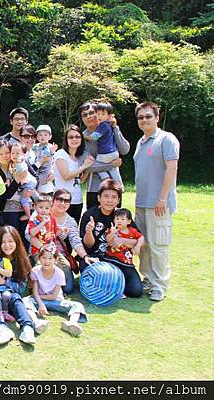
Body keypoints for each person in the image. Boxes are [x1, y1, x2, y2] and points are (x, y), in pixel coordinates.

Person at [133, 101, 180, 302]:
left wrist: (162, 198)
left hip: (159, 203)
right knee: (144, 245)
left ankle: (160, 285)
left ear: (157, 117)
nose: (144, 120)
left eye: (148, 116)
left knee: (159, 245)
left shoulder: (166, 139)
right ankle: (148, 279)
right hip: (141, 203)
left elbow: (172, 169)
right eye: (141, 117)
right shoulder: (141, 142)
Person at [79, 179, 142, 297]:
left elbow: (138, 240)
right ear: (99, 198)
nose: (109, 200)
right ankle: (110, 285)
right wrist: (89, 231)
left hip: (118, 258)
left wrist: (122, 241)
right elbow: (88, 245)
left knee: (136, 291)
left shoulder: (122, 215)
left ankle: (115, 284)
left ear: (118, 200)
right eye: (106, 196)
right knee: (95, 283)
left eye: (114, 197)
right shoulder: (89, 215)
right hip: (94, 258)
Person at [0, 233, 40, 346]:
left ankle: (27, 328)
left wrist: (1, 278)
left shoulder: (6, 261)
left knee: (15, 298)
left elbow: (13, 278)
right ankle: (1, 328)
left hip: (7, 294)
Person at [25, 244, 88, 337]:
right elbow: (35, 291)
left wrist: (37, 297)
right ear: (39, 258)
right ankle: (36, 322)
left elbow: (54, 296)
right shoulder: (35, 271)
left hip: (56, 301)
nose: (47, 261)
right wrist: (41, 304)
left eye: (50, 258)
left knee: (78, 305)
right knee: (25, 301)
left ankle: (72, 323)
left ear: (55, 260)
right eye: (44, 258)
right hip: (40, 301)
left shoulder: (59, 273)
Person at [79, 101, 129, 209]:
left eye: (92, 113)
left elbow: (124, 150)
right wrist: (112, 165)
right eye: (84, 115)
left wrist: (115, 128)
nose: (89, 117)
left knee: (115, 223)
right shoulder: (81, 138)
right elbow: (88, 165)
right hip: (93, 188)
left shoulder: (109, 129)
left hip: (114, 189)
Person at [50, 189, 99, 294]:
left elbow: (75, 241)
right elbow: (29, 235)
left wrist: (85, 256)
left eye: (67, 201)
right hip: (40, 250)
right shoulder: (43, 212)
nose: (63, 203)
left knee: (68, 289)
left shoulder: (70, 221)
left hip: (59, 255)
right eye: (59, 199)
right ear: (53, 200)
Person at [53, 125, 95, 223]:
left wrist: (89, 167)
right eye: (71, 137)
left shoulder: (79, 157)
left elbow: (82, 180)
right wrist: (84, 166)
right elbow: (66, 176)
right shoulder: (61, 154)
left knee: (73, 231)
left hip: (77, 200)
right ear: (66, 140)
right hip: (62, 200)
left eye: (77, 137)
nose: (74, 139)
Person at [83, 100, 122, 184]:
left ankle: (105, 178)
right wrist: (111, 165)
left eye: (103, 114)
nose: (100, 116)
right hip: (113, 153)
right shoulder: (109, 125)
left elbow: (94, 137)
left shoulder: (103, 125)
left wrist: (86, 137)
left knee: (96, 164)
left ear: (109, 116)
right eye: (98, 113)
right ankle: (119, 184)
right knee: (113, 169)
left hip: (105, 153)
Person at [103, 209, 145, 284]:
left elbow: (141, 238)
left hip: (126, 262)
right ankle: (117, 291)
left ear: (129, 221)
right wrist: (112, 233)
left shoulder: (132, 231)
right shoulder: (113, 230)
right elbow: (108, 240)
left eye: (122, 219)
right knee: (113, 278)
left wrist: (137, 247)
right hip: (112, 260)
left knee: (135, 288)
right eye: (117, 219)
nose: (119, 221)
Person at [10, 142, 37, 222]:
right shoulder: (14, 163)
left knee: (23, 199)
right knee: (35, 197)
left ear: (23, 155)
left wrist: (21, 181)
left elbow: (23, 174)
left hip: (28, 183)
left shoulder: (21, 164)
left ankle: (28, 215)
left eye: (17, 153)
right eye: (13, 153)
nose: (14, 155)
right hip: (29, 182)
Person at [33, 124, 55, 195]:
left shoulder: (51, 147)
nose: (43, 137)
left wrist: (53, 172)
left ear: (50, 137)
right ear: (36, 136)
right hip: (36, 171)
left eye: (45, 135)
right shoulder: (34, 147)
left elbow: (55, 161)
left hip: (47, 171)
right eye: (40, 135)